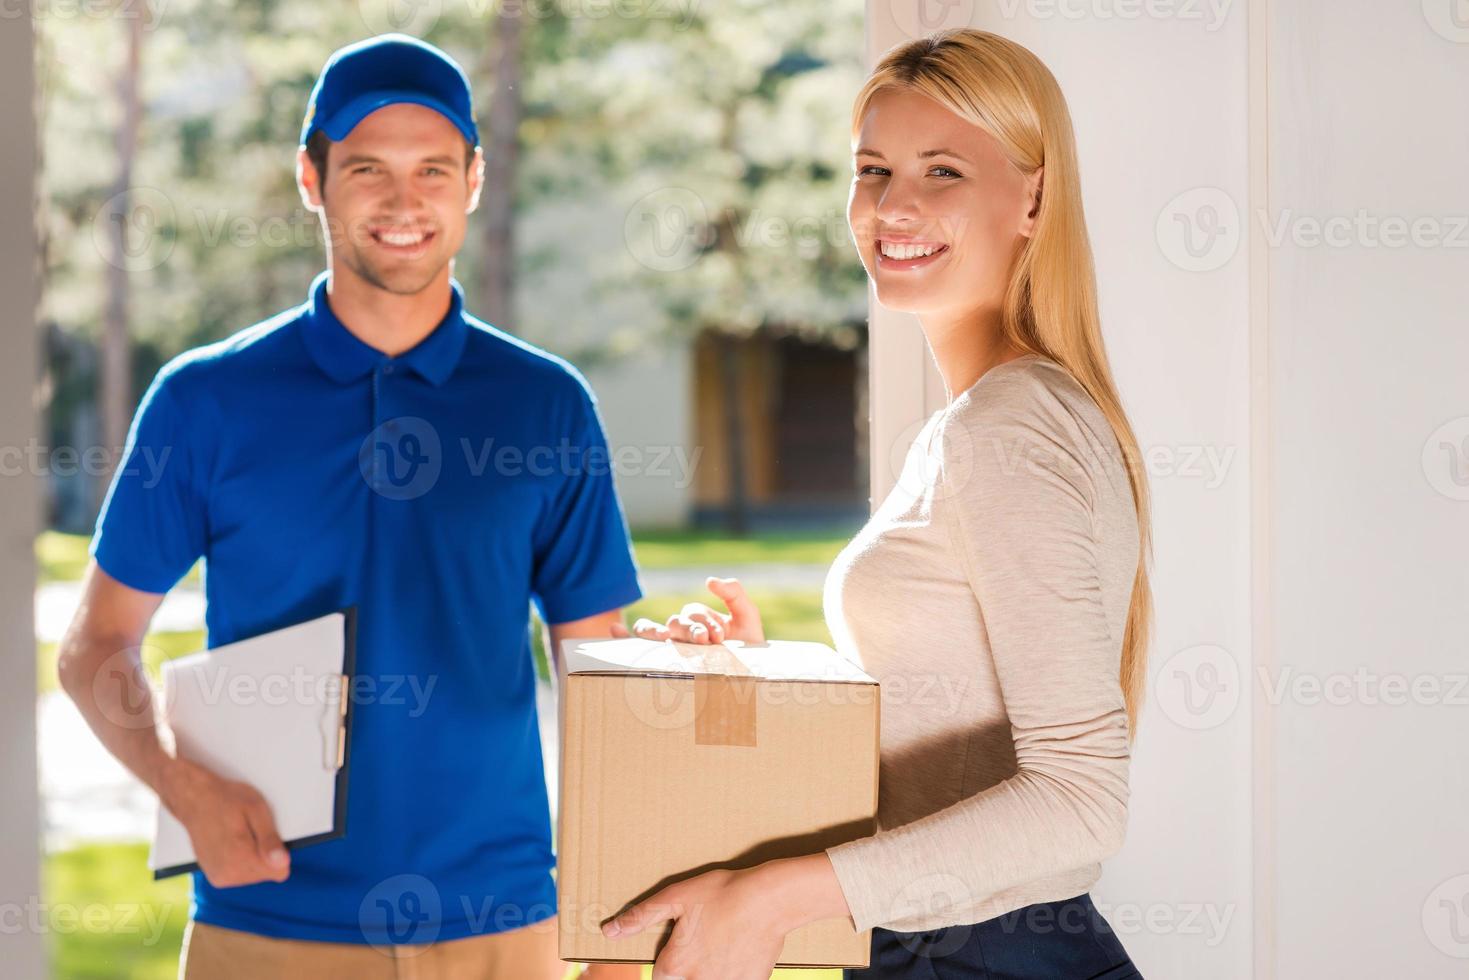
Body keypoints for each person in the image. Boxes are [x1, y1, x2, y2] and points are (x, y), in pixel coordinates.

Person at [56, 34, 641, 980]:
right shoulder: (206, 401)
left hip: (502, 924)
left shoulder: (544, 405)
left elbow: (601, 668)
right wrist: (184, 787)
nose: (404, 203)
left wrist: (615, 926)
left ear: (475, 181)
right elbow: (94, 645)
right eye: (367, 168)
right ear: (311, 177)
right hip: (266, 922)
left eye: (433, 170)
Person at [601, 28, 1154, 980]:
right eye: (873, 169)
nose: (894, 206)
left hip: (986, 955)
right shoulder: (985, 419)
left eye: (942, 171)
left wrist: (770, 899)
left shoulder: (1008, 429)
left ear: (1031, 196)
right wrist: (776, 678)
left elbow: (1080, 796)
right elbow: (949, 725)